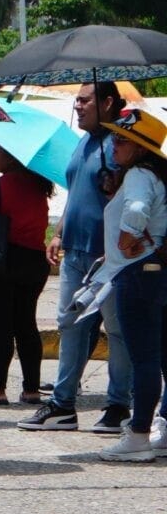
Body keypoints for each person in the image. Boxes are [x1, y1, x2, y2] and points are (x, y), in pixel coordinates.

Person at [21, 82, 135, 434]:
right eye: (77, 100)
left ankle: (118, 405)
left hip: (112, 257)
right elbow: (76, 191)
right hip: (77, 253)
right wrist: (58, 233)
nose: (77, 106)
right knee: (70, 325)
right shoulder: (83, 143)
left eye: (85, 100)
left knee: (117, 332)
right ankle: (62, 404)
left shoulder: (122, 144)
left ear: (108, 102)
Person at [91, 109, 167, 461]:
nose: (115, 144)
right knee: (161, 356)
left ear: (140, 148)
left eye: (123, 139)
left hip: (137, 274)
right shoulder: (156, 175)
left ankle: (137, 435)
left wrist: (125, 241)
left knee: (144, 358)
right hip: (157, 270)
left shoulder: (138, 174)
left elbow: (136, 209)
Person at [0, 145, 55, 407]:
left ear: (12, 156)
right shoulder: (40, 187)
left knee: (0, 328)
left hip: (0, 262)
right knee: (26, 324)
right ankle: (31, 390)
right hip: (33, 262)